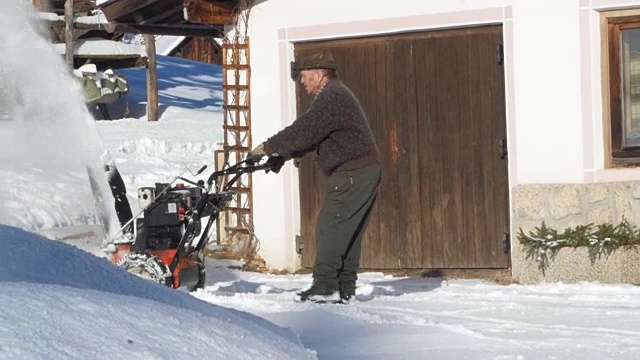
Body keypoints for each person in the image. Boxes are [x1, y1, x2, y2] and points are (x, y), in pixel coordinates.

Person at [249, 49, 381, 303]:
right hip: (362, 170)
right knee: (347, 230)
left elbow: (306, 130)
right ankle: (344, 288)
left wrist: (267, 147)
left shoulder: (331, 97)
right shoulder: (336, 94)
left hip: (354, 172)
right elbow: (315, 134)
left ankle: (325, 286)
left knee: (331, 227)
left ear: (319, 75)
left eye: (304, 75)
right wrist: (283, 156)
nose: (301, 80)